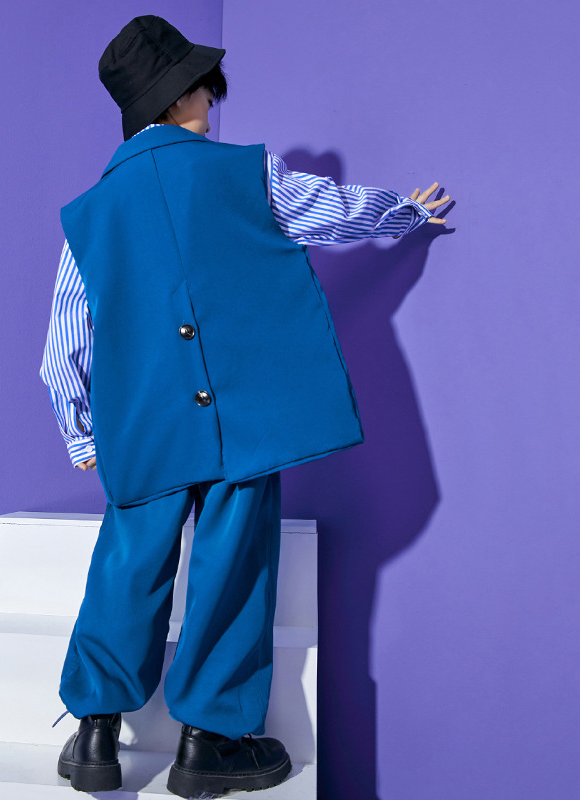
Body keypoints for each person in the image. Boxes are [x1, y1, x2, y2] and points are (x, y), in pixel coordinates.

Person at [40, 14, 449, 797]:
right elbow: (331, 210)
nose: (211, 99)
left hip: (143, 429)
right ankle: (209, 744)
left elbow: (64, 344)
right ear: (184, 95)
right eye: (203, 86)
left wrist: (82, 434)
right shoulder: (248, 174)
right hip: (242, 423)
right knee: (233, 566)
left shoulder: (88, 215)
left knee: (128, 566)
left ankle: (94, 733)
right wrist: (402, 212)